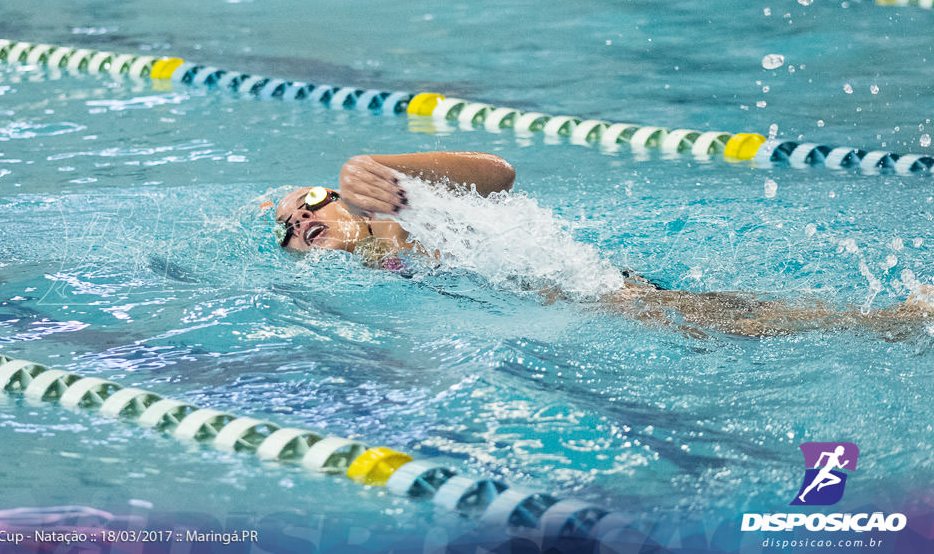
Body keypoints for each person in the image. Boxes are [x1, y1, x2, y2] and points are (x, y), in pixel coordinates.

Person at [272, 151, 934, 338]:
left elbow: (500, 175)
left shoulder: (402, 206)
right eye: (289, 233)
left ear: (334, 197)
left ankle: (898, 320)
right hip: (573, 305)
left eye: (306, 203)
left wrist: (378, 166)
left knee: (738, 322)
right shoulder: (371, 269)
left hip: (595, 293)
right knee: (723, 325)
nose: (300, 221)